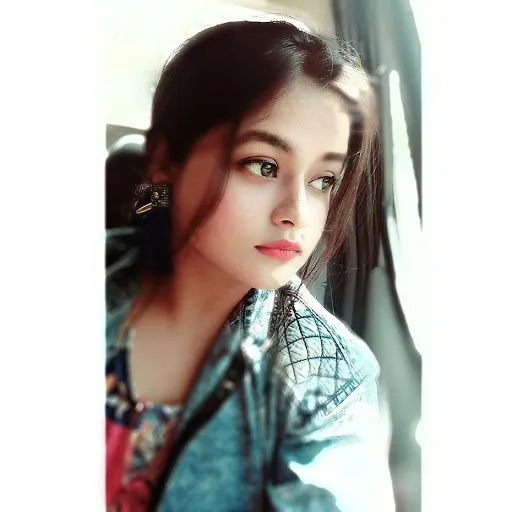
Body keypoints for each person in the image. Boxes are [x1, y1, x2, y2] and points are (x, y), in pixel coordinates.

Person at [106, 19, 395, 512]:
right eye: (264, 166)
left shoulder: (327, 377)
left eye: (323, 180)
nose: (297, 213)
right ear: (165, 161)